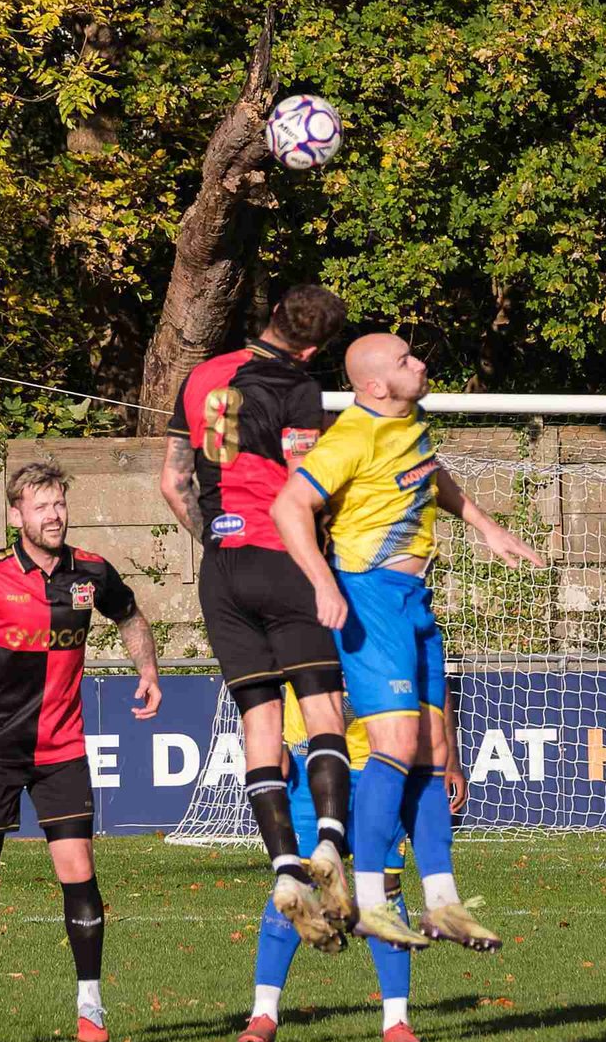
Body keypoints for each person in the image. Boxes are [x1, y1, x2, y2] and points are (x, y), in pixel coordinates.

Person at [160, 287, 423, 954]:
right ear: (312, 350)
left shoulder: (201, 374)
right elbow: (303, 487)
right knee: (324, 707)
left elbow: (173, 482)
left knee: (260, 724)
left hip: (222, 569)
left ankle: (282, 866)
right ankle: (328, 845)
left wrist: (219, 542)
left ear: (273, 314)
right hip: (283, 561)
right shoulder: (298, 386)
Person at [271, 332, 545, 951]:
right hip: (369, 597)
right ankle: (370, 900)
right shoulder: (350, 437)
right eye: (404, 359)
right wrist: (324, 583)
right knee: (394, 746)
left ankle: (443, 902)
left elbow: (429, 473)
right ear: (374, 385)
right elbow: (289, 507)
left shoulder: (411, 422)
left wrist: (485, 525)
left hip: (414, 601)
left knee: (431, 751)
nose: (419, 363)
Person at [0, 459, 162, 1042]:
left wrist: (147, 669)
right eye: (41, 506)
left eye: (59, 503)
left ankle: (90, 1006)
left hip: (61, 749)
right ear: (17, 516)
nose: (54, 515)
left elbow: (130, 615)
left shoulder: (90, 571)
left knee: (78, 867)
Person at [239, 688, 468, 1042]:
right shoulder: (305, 641)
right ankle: (263, 1013)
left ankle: (396, 1020)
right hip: (308, 762)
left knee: (385, 884)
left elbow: (432, 683)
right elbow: (263, 673)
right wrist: (272, 742)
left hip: (383, 765)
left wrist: (449, 757)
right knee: (296, 879)